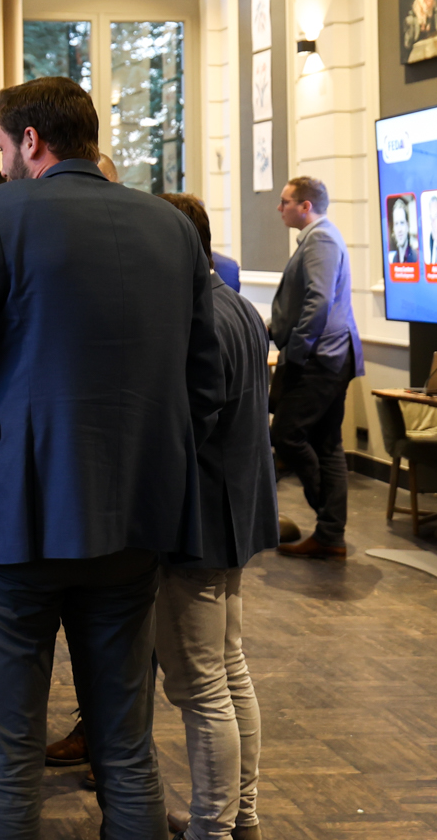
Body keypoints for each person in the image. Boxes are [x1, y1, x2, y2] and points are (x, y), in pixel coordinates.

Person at [0, 77, 225, 840]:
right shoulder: (172, 226)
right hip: (135, 522)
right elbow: (208, 386)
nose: (3, 158)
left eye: (2, 143)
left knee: (9, 758)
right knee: (128, 748)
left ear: (31, 140)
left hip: (10, 521)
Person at [154, 193, 276, 840]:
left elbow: (186, 430)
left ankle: (212, 827)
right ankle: (240, 817)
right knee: (229, 670)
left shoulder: (194, 317)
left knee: (200, 687)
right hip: (233, 516)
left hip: (197, 522)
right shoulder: (240, 306)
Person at [268, 176, 363, 560]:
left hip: (321, 358)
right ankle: (330, 534)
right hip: (328, 356)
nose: (280, 208)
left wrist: (297, 351)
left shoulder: (321, 239)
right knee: (326, 443)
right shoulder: (318, 238)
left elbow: (318, 302)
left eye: (285, 201)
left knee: (287, 434)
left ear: (305, 206)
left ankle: (327, 513)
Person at [385, 195, 419, 266]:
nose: (399, 229)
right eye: (396, 224)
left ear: (407, 226)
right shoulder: (394, 260)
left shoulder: (416, 258)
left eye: (402, 223)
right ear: (393, 229)